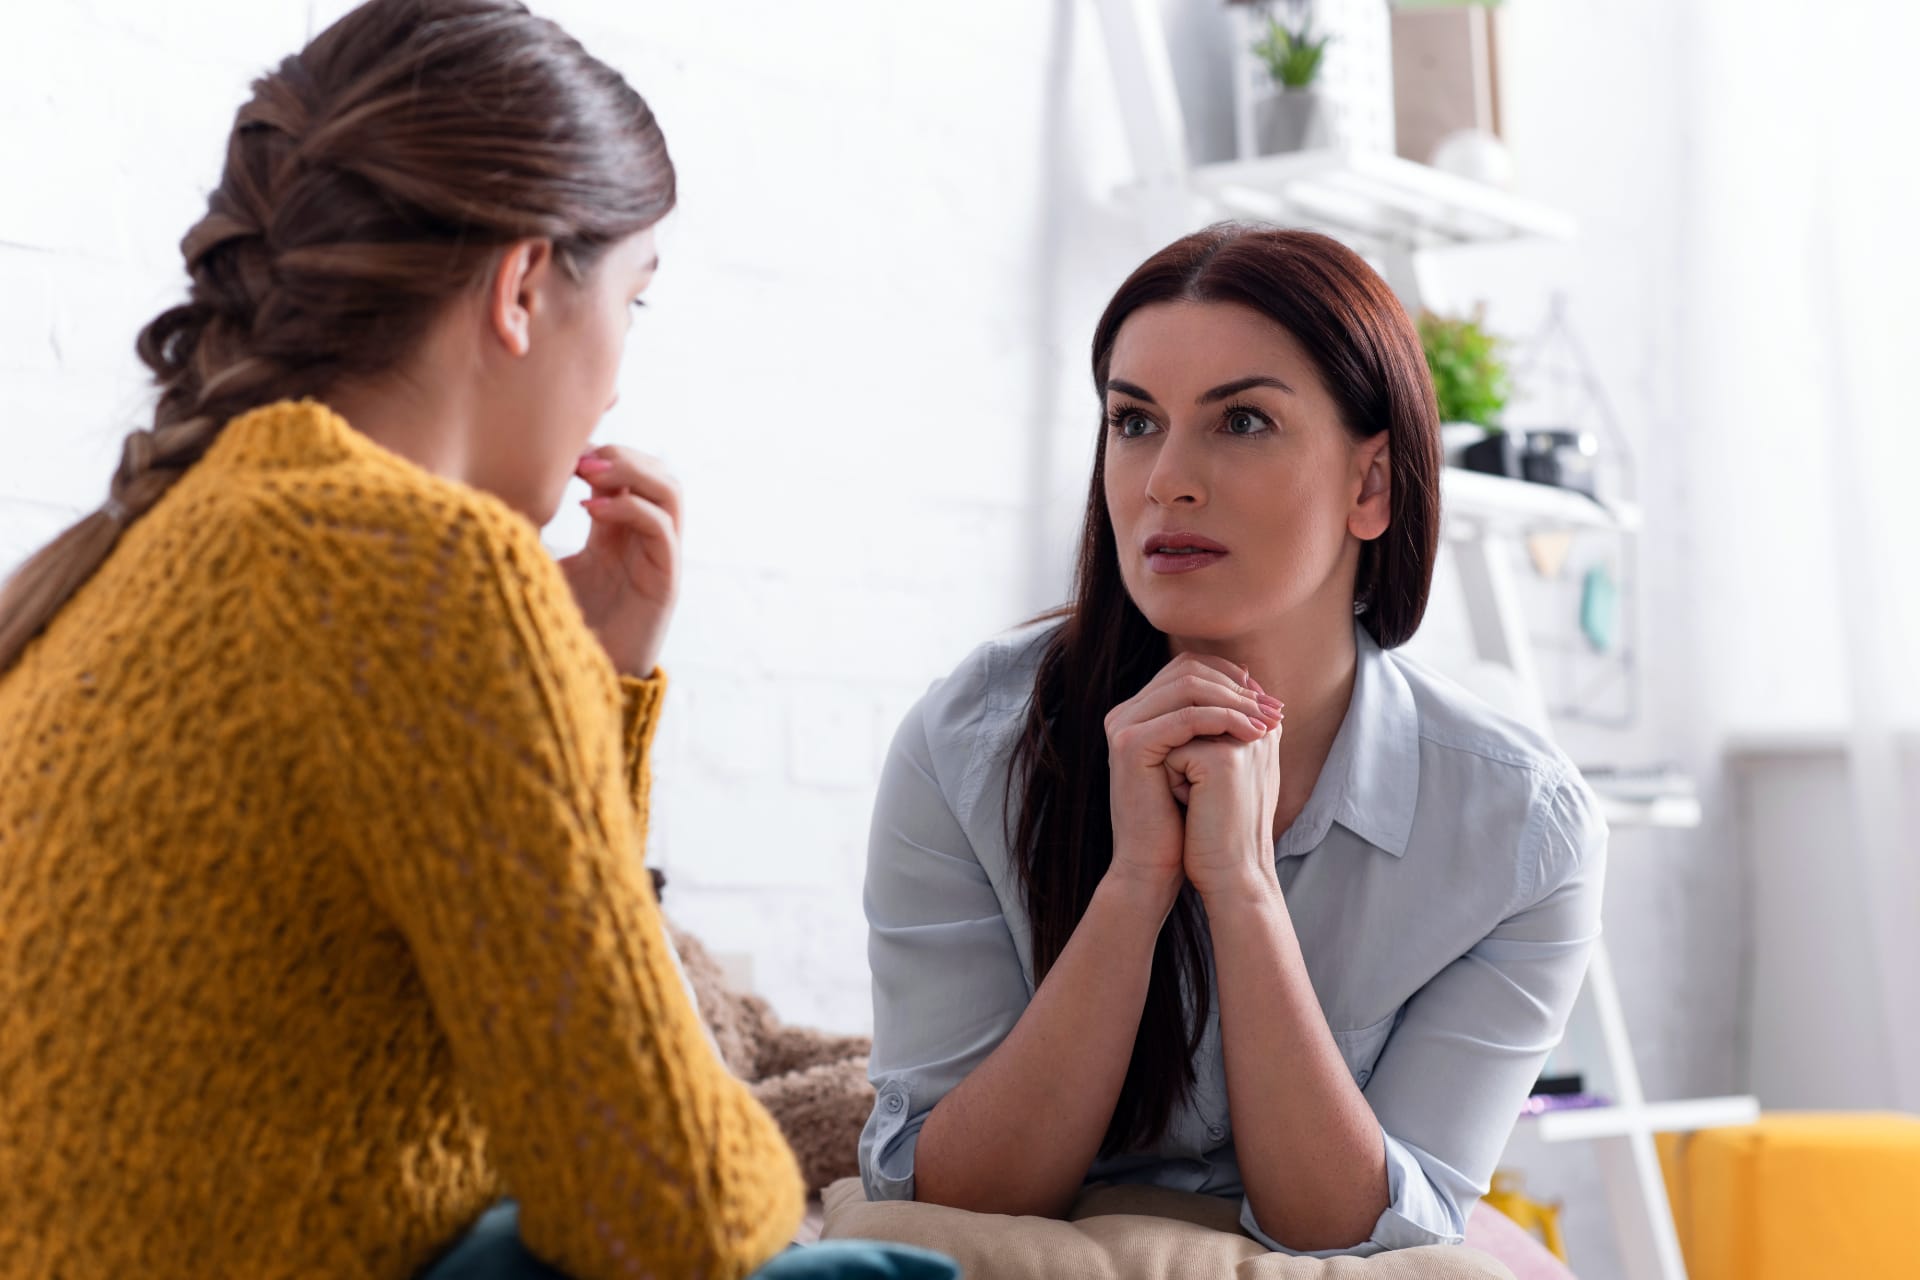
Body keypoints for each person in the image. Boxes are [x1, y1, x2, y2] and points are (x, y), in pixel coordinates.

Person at [0, 3, 953, 1278]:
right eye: (635, 297)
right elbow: (668, 1203)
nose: (616, 374)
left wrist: (593, 679)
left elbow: (535, 1024)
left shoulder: (143, 549)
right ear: (519, 287)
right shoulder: (428, 564)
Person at [858, 224, 1608, 1257]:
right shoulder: (967, 745)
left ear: (1372, 485)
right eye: (1133, 421)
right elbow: (949, 1192)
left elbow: (1353, 1225)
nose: (1166, 478)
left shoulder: (1522, 830)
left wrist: (1243, 887)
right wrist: (1134, 887)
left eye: (1242, 419)